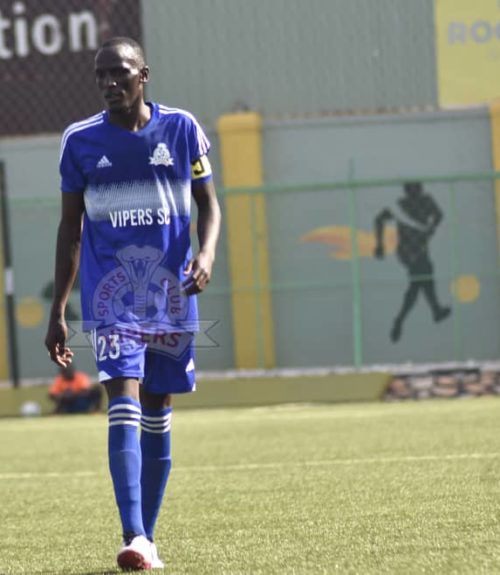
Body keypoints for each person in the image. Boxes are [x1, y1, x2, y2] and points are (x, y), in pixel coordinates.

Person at [44, 37, 221, 571]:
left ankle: (148, 538)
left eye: (119, 72)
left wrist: (207, 254)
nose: (109, 83)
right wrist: (58, 310)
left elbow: (209, 205)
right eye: (101, 74)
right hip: (110, 296)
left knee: (158, 410)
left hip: (172, 297)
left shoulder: (182, 129)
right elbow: (70, 229)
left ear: (144, 75)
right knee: (123, 394)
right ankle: (134, 534)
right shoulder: (79, 141)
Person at [374, 181, 451, 342]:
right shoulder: (404, 204)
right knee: (422, 278)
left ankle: (404, 318)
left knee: (419, 283)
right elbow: (379, 219)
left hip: (417, 248)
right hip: (409, 250)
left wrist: (430, 229)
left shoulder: (421, 201)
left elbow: (439, 215)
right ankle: (433, 310)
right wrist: (379, 245)